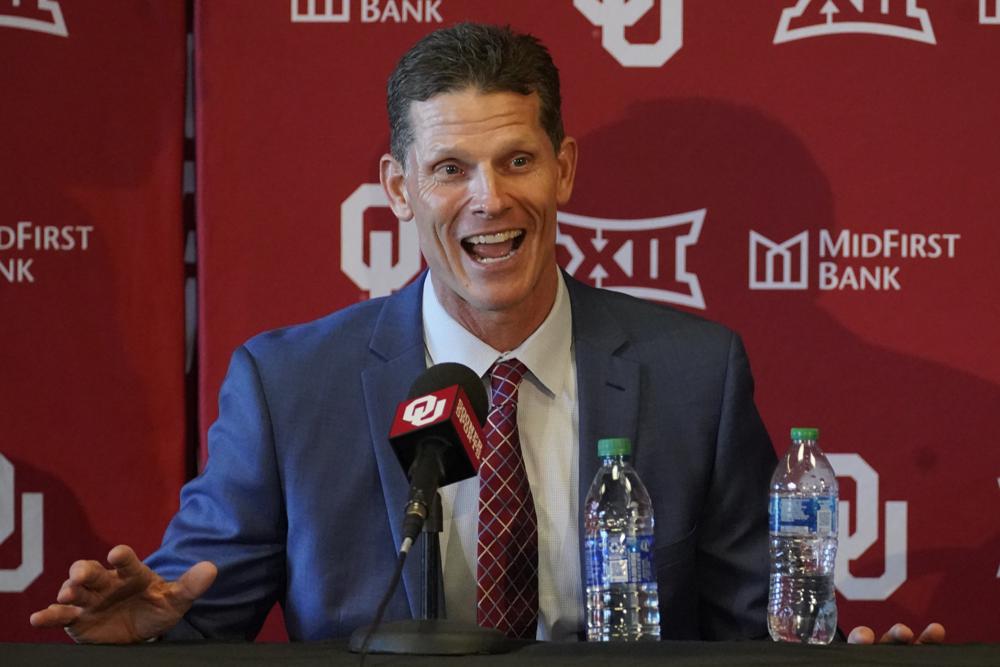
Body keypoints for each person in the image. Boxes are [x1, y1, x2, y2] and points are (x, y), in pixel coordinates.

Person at [30, 23, 943, 646]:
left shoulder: (695, 374)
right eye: (450, 168)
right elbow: (196, 612)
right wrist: (143, 634)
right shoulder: (289, 386)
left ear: (565, 169)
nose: (489, 199)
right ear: (397, 189)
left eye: (517, 160)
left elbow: (757, 631)